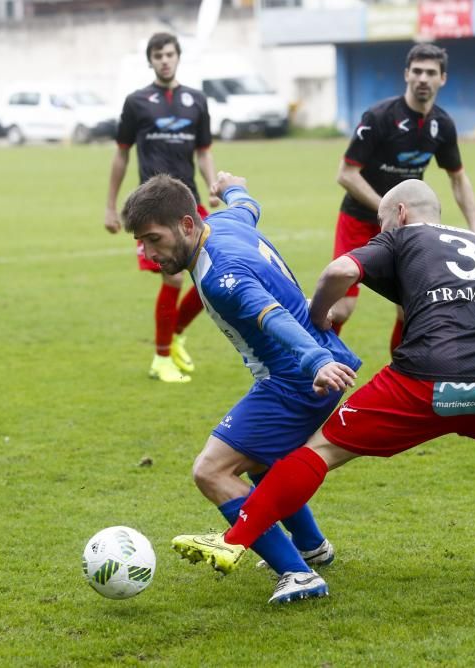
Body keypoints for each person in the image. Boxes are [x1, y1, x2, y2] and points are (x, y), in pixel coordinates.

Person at [172, 179, 475, 597]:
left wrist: (318, 320)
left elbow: (340, 271)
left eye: (384, 223)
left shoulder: (401, 237)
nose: (383, 233)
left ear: (400, 214)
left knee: (318, 452)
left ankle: (237, 539)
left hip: (421, 385)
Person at [121, 171, 361, 604]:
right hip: (310, 365)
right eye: (141, 242)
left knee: (211, 471)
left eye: (154, 239)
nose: (148, 252)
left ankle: (298, 574)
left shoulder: (220, 275)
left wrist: (315, 362)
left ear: (188, 225)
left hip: (298, 376)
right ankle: (311, 546)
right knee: (255, 456)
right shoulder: (228, 222)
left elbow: (272, 316)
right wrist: (232, 187)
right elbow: (247, 205)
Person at [332, 43, 475, 352]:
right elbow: (346, 174)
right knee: (342, 307)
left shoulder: (442, 125)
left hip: (407, 227)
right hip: (359, 221)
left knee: (409, 307)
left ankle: (403, 371)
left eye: (430, 72)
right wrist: (385, 209)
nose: (423, 78)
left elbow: (457, 177)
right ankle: (314, 370)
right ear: (406, 75)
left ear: (443, 78)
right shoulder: (378, 117)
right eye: (417, 71)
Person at [105, 32, 218, 383]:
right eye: (158, 55)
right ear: (150, 60)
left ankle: (176, 335)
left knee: (211, 276)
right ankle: (161, 358)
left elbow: (204, 151)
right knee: (172, 278)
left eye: (169, 54)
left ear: (178, 57)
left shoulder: (196, 100)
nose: (164, 60)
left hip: (189, 203)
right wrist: (110, 206)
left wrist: (214, 185)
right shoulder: (136, 102)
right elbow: (122, 153)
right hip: (153, 206)